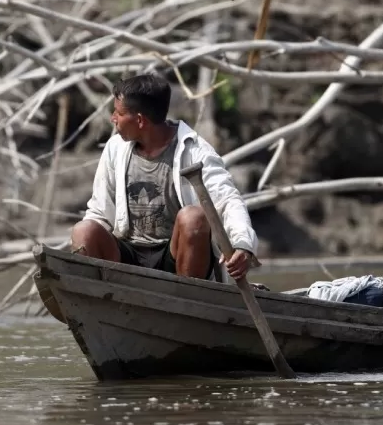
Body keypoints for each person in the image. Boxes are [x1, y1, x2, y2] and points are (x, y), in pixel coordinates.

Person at [70, 73, 258, 282]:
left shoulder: (196, 151)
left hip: (176, 258)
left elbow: (228, 200)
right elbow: (99, 210)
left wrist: (243, 244)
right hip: (128, 254)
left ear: (140, 120)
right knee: (83, 231)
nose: (113, 118)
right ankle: (105, 299)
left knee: (192, 218)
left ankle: (188, 300)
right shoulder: (116, 148)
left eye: (118, 113)